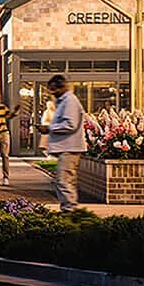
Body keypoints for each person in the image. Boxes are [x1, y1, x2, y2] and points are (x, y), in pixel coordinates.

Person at [40, 74, 85, 211]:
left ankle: (69, 210)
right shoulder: (63, 102)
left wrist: (50, 128)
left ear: (62, 87)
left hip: (70, 148)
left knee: (63, 180)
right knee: (65, 180)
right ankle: (68, 208)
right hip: (67, 148)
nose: (53, 93)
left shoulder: (69, 101)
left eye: (54, 90)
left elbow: (71, 124)